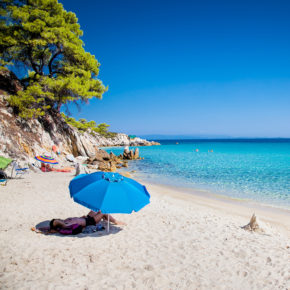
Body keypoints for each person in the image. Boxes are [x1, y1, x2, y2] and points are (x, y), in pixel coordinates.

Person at [49, 211, 126, 234]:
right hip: (89, 222)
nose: (58, 219)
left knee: (96, 209)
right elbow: (78, 229)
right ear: (57, 224)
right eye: (57, 221)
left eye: (57, 219)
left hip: (86, 218)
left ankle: (105, 218)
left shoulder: (65, 221)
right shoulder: (66, 226)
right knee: (103, 211)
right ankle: (115, 221)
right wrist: (53, 230)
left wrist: (80, 218)